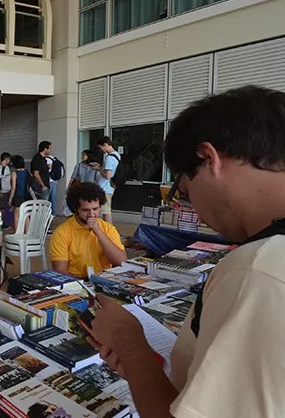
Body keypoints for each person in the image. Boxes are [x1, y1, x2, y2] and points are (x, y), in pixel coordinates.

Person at [87, 86, 285, 418]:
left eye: (184, 191)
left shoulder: (257, 269)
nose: (195, 211)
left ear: (208, 159)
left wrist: (128, 343)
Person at [49, 182, 126, 279]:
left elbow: (121, 262)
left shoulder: (108, 228)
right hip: (75, 280)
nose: (92, 214)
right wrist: (81, 284)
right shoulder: (62, 232)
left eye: (95, 209)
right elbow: (60, 271)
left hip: (104, 278)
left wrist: (98, 232)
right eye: (86, 210)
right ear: (76, 209)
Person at [94, 137, 120, 224]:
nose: (100, 150)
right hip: (109, 187)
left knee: (106, 212)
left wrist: (98, 169)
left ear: (105, 144)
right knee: (106, 210)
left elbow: (107, 175)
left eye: (100, 147)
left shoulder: (109, 158)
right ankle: (108, 229)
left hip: (105, 188)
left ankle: (109, 230)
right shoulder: (116, 155)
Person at [8, 155, 30, 229]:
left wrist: (10, 199)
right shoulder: (27, 172)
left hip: (18, 196)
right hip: (26, 196)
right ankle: (27, 231)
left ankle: (17, 232)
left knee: (16, 215)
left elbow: (13, 187)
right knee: (26, 214)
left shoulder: (15, 173)